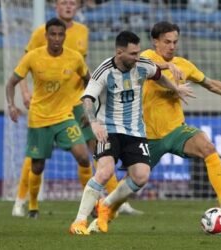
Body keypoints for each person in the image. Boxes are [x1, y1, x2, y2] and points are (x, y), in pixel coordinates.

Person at [12, 0, 142, 217]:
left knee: (100, 147)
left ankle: (112, 199)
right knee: (35, 157)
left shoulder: (83, 31)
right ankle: (21, 200)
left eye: (73, 3)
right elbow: (25, 63)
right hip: (49, 105)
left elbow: (83, 67)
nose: (69, 6)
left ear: (78, 7)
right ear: (56, 6)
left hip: (78, 101)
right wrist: (25, 92)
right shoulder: (40, 33)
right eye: (64, 2)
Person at [69, 30, 194, 235]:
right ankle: (79, 222)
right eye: (133, 54)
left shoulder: (141, 65)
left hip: (135, 131)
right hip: (108, 128)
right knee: (105, 171)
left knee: (141, 176)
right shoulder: (104, 70)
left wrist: (175, 89)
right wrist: (94, 123)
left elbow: (158, 74)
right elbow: (87, 98)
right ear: (119, 52)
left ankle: (106, 205)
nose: (138, 57)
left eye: (138, 52)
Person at [140, 21, 221, 211]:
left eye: (175, 42)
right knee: (135, 181)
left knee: (207, 147)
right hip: (148, 135)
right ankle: (105, 210)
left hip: (176, 131)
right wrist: (166, 66)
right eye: (167, 42)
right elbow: (145, 66)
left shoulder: (184, 65)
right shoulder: (147, 57)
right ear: (155, 42)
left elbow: (211, 84)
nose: (172, 46)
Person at [6, 17, 93, 219]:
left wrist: (90, 110)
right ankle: (33, 206)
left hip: (65, 116)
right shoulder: (33, 57)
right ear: (46, 36)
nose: (56, 38)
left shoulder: (75, 58)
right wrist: (12, 105)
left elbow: (91, 82)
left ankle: (91, 204)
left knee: (83, 157)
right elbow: (11, 83)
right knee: (37, 165)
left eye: (60, 34)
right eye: (52, 34)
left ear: (65, 36)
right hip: (39, 118)